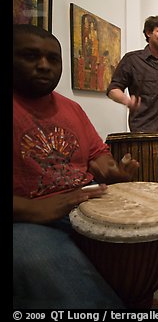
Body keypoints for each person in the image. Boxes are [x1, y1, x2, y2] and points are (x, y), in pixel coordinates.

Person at [13, 24, 140, 308]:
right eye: (30, 56)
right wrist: (32, 208)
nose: (44, 65)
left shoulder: (71, 108)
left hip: (83, 202)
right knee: (39, 260)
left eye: (52, 59)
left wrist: (111, 170)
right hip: (24, 219)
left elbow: (97, 154)